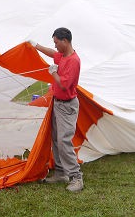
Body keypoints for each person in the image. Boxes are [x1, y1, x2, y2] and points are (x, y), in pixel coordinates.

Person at [30, 27, 83, 193]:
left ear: (65, 41)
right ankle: (61, 173)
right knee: (55, 138)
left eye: (56, 42)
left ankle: (76, 177)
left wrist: (53, 73)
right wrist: (36, 45)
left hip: (67, 106)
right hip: (58, 103)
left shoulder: (73, 61)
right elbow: (53, 53)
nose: (55, 46)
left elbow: (64, 85)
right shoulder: (62, 55)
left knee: (64, 140)